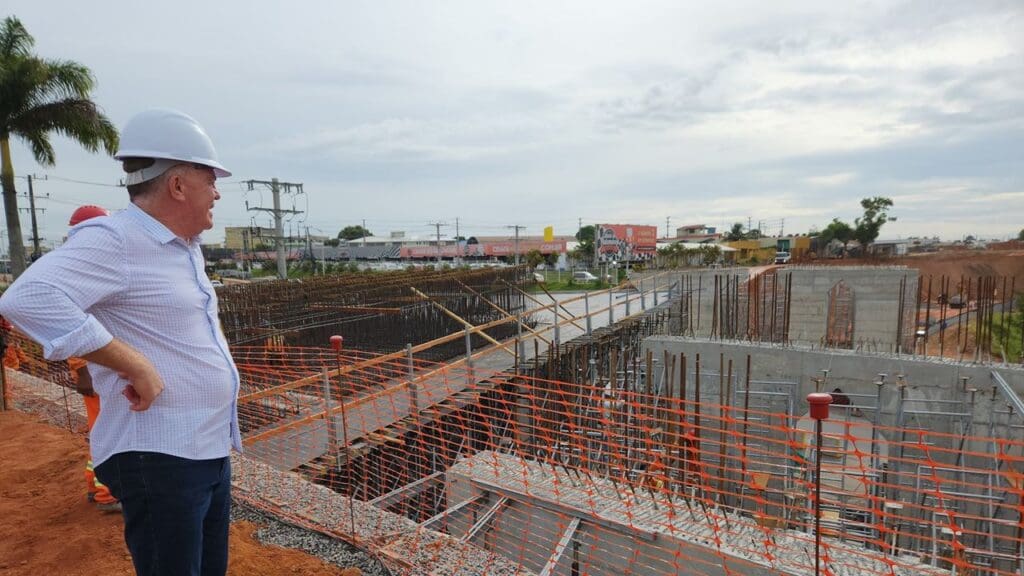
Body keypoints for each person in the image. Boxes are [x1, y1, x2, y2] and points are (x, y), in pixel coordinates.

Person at [0, 108, 240, 576]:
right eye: (210, 177)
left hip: (204, 448)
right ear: (177, 184)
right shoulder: (118, 239)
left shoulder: (181, 249)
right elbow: (26, 299)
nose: (217, 191)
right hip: (160, 455)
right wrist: (134, 365)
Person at [65, 205, 122, 512]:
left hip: (104, 369)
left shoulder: (86, 268)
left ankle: (99, 487)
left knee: (104, 427)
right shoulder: (80, 273)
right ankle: (105, 493)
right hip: (95, 370)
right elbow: (72, 324)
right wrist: (81, 369)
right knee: (105, 429)